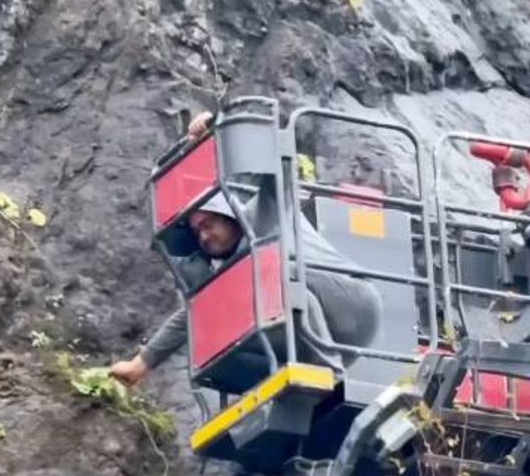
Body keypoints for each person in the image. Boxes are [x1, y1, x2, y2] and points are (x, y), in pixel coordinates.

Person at [110, 112, 383, 387]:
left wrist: (219, 130)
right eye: (197, 232)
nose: (204, 236)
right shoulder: (230, 269)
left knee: (264, 274)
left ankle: (327, 371)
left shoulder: (262, 211)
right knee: (219, 309)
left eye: (208, 224)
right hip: (311, 331)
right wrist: (141, 364)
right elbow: (191, 313)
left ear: (228, 214)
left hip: (351, 304)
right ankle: (287, 381)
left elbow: (277, 161)